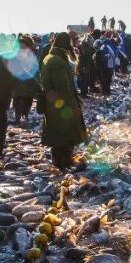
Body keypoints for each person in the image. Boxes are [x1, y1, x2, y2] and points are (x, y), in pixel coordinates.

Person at [38, 32, 86, 169]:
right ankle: (65, 161)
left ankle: (57, 161)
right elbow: (63, 87)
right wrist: (74, 105)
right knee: (68, 132)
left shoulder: (49, 57)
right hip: (62, 104)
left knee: (56, 133)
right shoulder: (58, 61)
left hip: (51, 102)